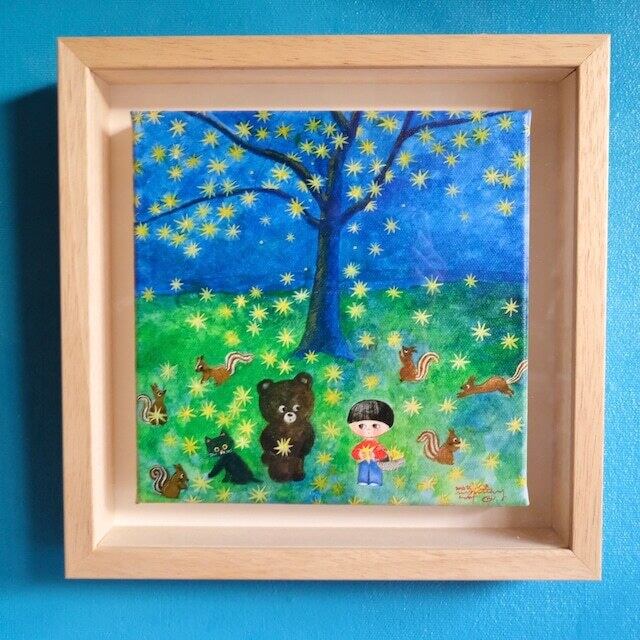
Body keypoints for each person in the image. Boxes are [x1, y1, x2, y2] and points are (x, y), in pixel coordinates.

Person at [347, 399, 394, 487]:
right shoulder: (361, 445)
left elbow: (383, 454)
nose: (368, 429)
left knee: (375, 470)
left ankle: (375, 481)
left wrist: (375, 455)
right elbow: (354, 452)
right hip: (363, 461)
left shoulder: (378, 445)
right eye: (361, 425)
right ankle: (362, 480)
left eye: (375, 425)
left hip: (375, 462)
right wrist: (360, 454)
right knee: (363, 469)